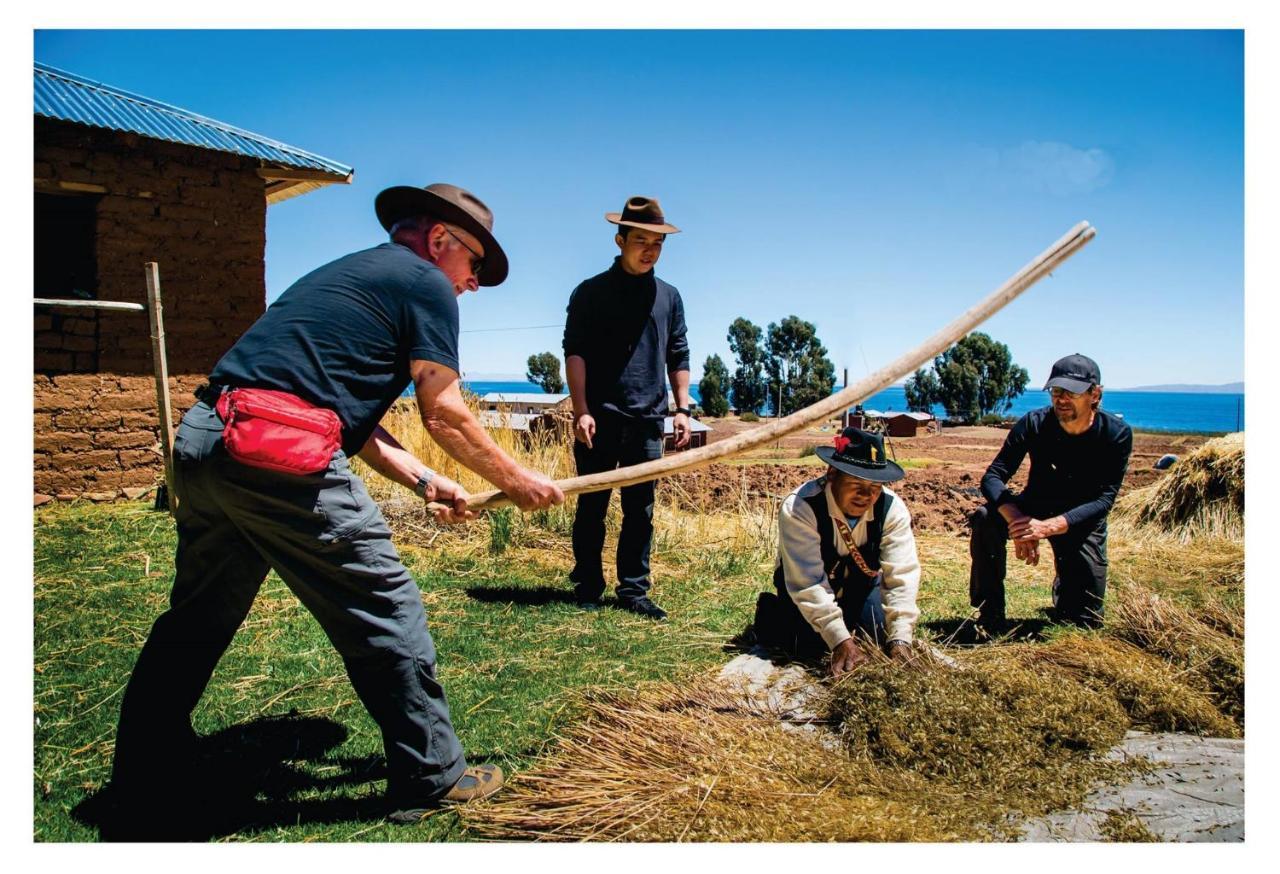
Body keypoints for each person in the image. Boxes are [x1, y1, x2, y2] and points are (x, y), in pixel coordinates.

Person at [110, 183, 564, 825]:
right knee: (385, 606)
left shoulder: (347, 274)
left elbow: (341, 416)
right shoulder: (425, 283)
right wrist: (518, 479)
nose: (475, 283)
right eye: (476, 264)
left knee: (200, 613)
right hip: (276, 455)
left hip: (207, 440)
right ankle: (431, 774)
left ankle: (145, 767)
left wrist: (425, 482)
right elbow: (443, 409)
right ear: (439, 240)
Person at [561, 196, 691, 620]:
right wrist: (581, 409)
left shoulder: (669, 297)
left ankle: (634, 590)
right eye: (641, 240)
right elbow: (575, 353)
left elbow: (679, 353)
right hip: (598, 419)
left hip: (648, 420)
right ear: (620, 240)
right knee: (592, 506)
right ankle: (587, 585)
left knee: (641, 512)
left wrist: (682, 410)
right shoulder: (590, 292)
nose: (650, 248)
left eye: (657, 242)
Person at [969, 353, 1132, 631]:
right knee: (986, 518)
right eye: (1056, 391)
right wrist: (1017, 521)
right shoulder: (1034, 423)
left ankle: (1066, 585)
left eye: (1072, 392)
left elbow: (1104, 500)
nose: (1061, 399)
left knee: (1085, 621)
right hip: (1035, 506)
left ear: (1095, 394)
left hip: (1080, 518)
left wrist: (1048, 528)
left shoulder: (1115, 434)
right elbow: (993, 477)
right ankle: (990, 612)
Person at [755, 427, 922, 676]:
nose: (866, 496)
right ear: (832, 474)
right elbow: (808, 584)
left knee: (878, 638)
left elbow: (902, 576)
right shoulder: (801, 507)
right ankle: (772, 611)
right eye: (856, 484)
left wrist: (900, 640)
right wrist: (839, 640)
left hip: (860, 587)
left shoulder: (892, 509)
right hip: (806, 591)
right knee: (806, 648)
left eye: (874, 486)